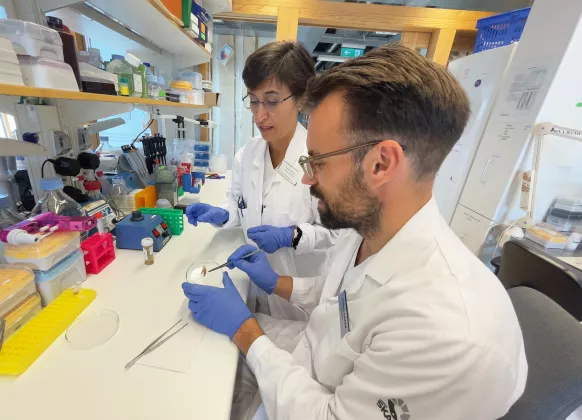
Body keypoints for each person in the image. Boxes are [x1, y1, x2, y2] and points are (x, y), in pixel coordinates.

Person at [182, 44, 528, 419]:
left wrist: (247, 331)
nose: (307, 177)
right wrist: (272, 285)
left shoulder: (445, 333)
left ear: (381, 163)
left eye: (317, 161)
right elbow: (336, 303)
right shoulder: (364, 231)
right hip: (306, 366)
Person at [186, 41, 338, 323]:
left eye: (271, 101)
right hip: (253, 284)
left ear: (301, 99)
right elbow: (238, 200)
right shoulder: (248, 154)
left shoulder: (321, 160)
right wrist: (222, 213)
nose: (259, 115)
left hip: (300, 298)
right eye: (254, 100)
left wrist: (290, 236)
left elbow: (335, 234)